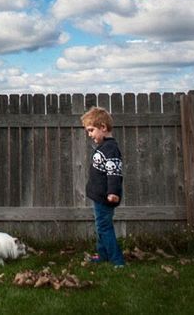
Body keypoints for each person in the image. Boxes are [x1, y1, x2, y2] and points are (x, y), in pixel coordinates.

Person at [81, 106, 125, 267]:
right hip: (99, 196)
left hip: (106, 197)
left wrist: (113, 192)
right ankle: (103, 255)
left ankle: (117, 261)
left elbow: (114, 172)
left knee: (104, 228)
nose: (89, 134)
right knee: (101, 227)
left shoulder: (111, 149)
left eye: (91, 130)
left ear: (103, 128)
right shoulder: (104, 147)